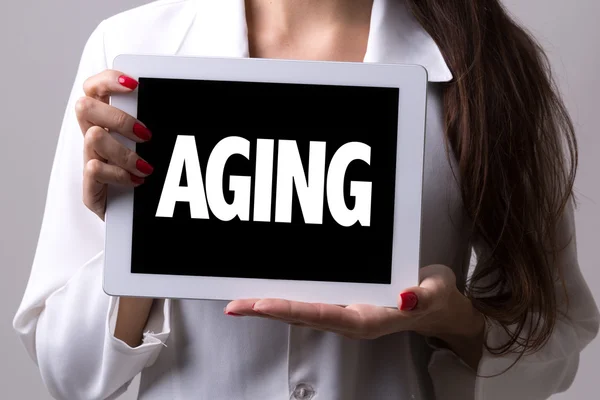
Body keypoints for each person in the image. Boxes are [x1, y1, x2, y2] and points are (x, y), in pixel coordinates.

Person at [13, 0, 600, 399]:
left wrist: (452, 319)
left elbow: (556, 342)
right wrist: (140, 232)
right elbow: (70, 374)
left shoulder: (492, 68)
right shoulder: (131, 52)